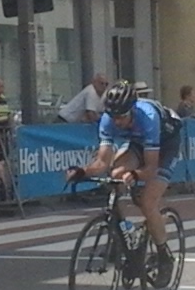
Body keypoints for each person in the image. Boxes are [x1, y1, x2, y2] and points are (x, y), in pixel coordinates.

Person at [68, 80, 178, 276]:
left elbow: (151, 167)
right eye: (113, 117)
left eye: (121, 117)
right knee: (115, 174)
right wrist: (82, 172)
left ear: (132, 110)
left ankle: (164, 255)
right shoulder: (108, 120)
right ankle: (122, 233)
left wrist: (135, 175)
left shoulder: (148, 118)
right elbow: (102, 162)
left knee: (148, 202)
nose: (117, 122)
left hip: (166, 145)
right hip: (139, 142)